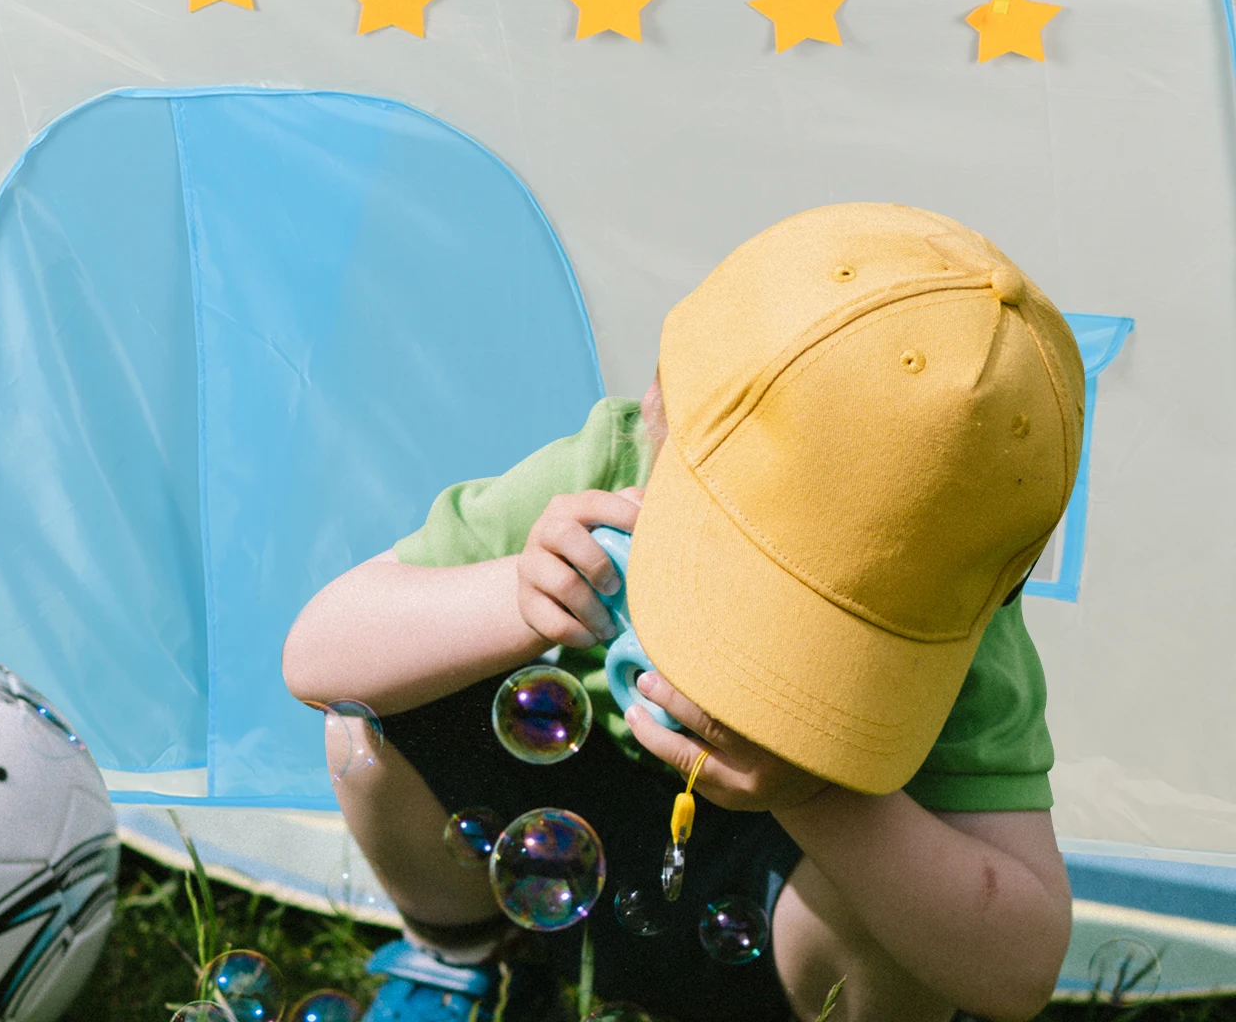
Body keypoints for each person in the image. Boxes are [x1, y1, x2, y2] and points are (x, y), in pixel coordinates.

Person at [283, 203, 1080, 1022]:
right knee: (367, 721)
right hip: (566, 826)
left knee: (912, 935)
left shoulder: (961, 639)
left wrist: (812, 794)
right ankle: (458, 958)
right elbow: (318, 657)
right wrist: (522, 595)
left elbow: (1017, 972)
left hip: (784, 894)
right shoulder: (609, 469)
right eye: (730, 566)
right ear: (661, 410)